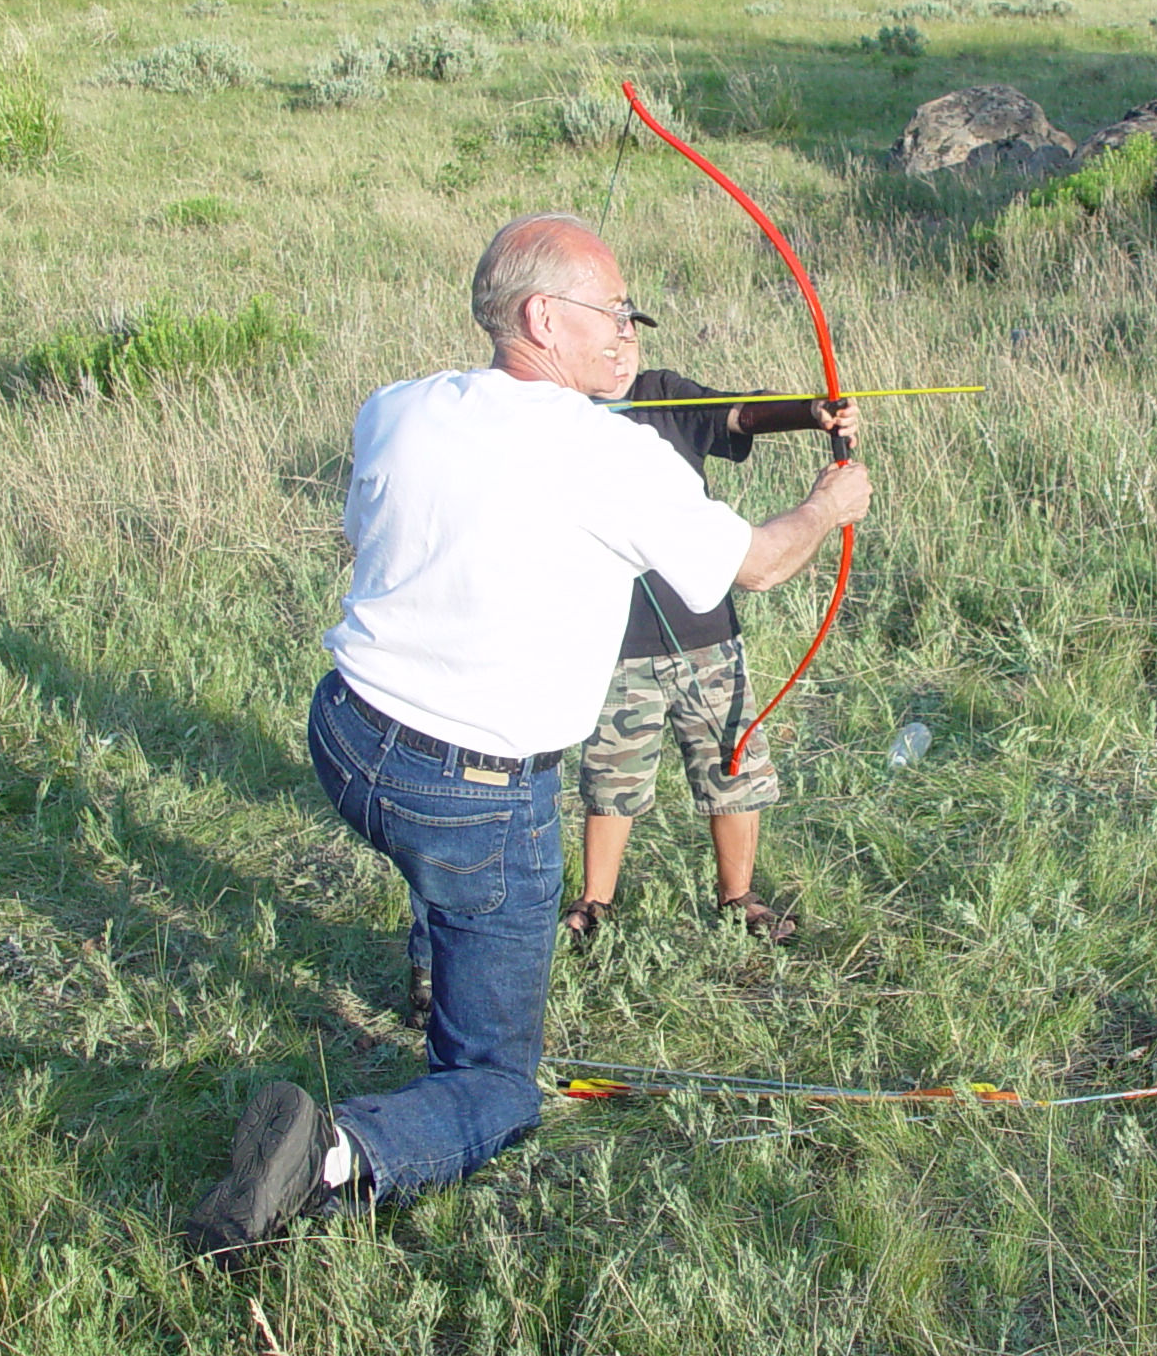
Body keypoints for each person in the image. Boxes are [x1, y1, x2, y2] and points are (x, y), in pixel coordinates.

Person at [184, 212, 870, 1260]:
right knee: (498, 1089)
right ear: (543, 318)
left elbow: (361, 532)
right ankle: (331, 1154)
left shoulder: (397, 408)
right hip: (470, 792)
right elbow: (760, 564)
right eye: (612, 311)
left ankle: (434, 946)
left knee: (437, 853)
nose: (627, 334)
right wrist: (829, 501)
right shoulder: (612, 455)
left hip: (345, 739)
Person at [565, 340, 857, 951]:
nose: (619, 352)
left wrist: (812, 412)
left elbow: (740, 415)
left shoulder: (661, 393)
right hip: (616, 640)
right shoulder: (560, 414)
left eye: (630, 338)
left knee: (732, 765)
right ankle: (595, 903)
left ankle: (739, 898)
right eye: (606, 339)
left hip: (706, 633)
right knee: (612, 778)